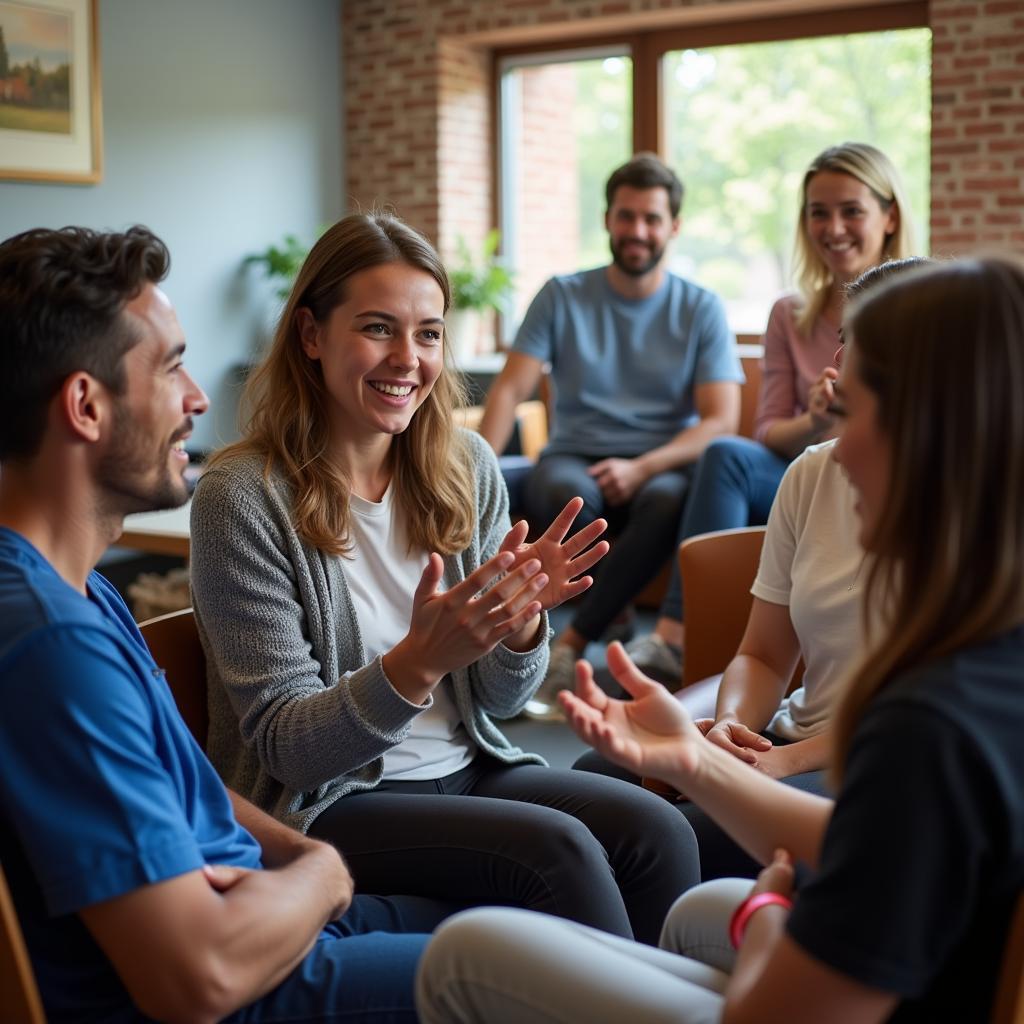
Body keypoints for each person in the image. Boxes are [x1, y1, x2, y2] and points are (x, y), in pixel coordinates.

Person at [416, 255, 1024, 1023]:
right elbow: (880, 837)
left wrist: (764, 913)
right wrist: (695, 760)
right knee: (689, 912)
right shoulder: (985, 651)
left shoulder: (928, 722)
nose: (840, 432)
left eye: (857, 403)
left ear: (925, 430)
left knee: (464, 954)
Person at [190, 211, 701, 946]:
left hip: (468, 763)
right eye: (376, 328)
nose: (408, 359)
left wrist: (522, 624)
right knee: (561, 853)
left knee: (657, 830)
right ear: (311, 335)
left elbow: (500, 699)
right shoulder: (241, 495)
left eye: (428, 333)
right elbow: (286, 748)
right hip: (327, 802)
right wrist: (418, 661)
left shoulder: (464, 467)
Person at [0, 225, 443, 1024]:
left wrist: (303, 857)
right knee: (533, 972)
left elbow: (187, 784)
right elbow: (196, 979)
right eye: (171, 366)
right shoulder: (51, 645)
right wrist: (324, 876)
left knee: (522, 930)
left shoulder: (84, 596)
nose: (199, 398)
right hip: (252, 985)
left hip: (273, 923)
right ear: (86, 405)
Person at [577, 257, 929, 882]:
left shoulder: (975, 510)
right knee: (591, 788)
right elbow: (764, 654)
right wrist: (734, 728)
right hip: (787, 737)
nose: (839, 364)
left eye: (864, 346)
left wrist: (779, 764)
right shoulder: (814, 471)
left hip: (878, 764)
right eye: (845, 337)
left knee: (667, 836)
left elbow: (925, 719)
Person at [625, 142, 914, 682]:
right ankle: (675, 635)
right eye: (818, 212)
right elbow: (768, 430)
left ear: (890, 214)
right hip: (804, 461)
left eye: (851, 210)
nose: (833, 227)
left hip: (897, 464)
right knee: (727, 454)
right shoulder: (789, 312)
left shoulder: (924, 303)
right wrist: (819, 421)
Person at [478, 152, 743, 716]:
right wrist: (472, 461)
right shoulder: (563, 294)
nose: (637, 231)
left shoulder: (700, 308)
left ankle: (568, 645)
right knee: (565, 494)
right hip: (574, 454)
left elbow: (721, 420)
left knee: (670, 497)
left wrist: (643, 466)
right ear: (607, 220)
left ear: (673, 226)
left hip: (662, 464)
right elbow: (508, 390)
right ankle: (606, 617)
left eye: (651, 219)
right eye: (626, 217)